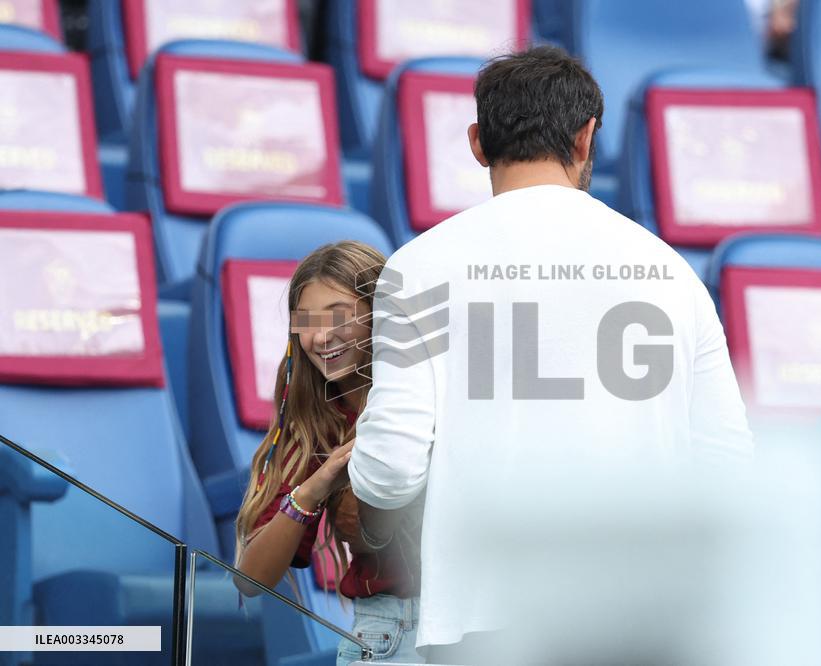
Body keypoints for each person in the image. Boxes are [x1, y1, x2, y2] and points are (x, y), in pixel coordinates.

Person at [347, 46, 754, 663]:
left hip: (484, 618)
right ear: (587, 138)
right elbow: (726, 469)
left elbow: (391, 468)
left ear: (478, 142)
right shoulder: (673, 274)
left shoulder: (419, 267)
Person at [233, 241, 424, 666]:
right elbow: (250, 580)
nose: (321, 336)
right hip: (388, 630)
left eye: (339, 315)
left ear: (380, 316)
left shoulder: (432, 390)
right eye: (307, 322)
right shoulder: (316, 421)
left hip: (477, 618)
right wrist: (316, 486)